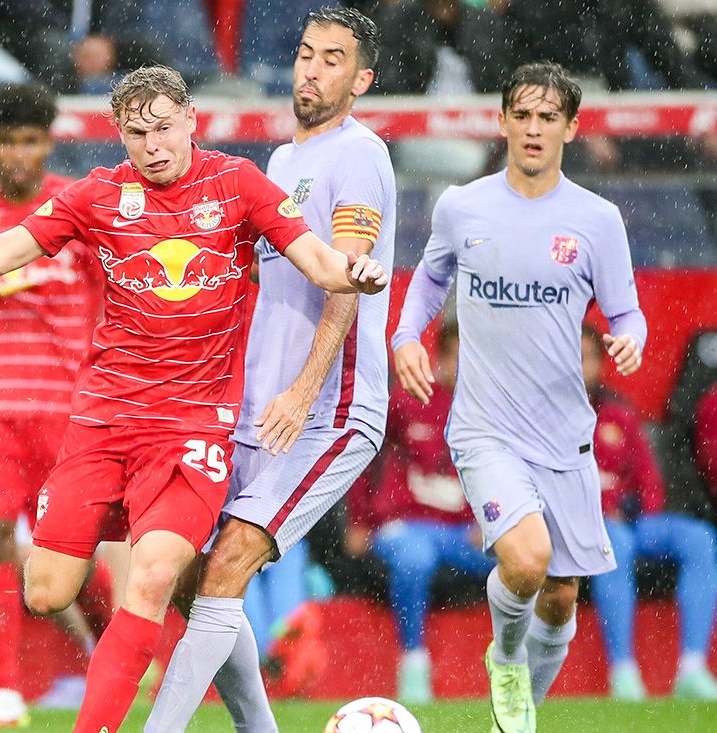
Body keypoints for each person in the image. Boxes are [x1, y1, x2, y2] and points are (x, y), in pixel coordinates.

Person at [0, 63, 389, 733]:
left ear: (192, 121)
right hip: (103, 423)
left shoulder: (238, 184)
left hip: (192, 428)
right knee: (46, 591)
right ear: (119, 134)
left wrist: (354, 268)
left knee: (155, 573)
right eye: (137, 133)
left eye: (164, 128)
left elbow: (316, 259)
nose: (153, 145)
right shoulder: (99, 195)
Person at [146, 8, 395, 732]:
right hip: (259, 409)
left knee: (227, 566)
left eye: (333, 60)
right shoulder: (282, 164)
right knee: (194, 582)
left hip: (329, 410)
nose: (312, 70)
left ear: (361, 80)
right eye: (307, 54)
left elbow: (345, 280)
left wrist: (304, 387)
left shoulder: (360, 155)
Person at [391, 61, 647, 733]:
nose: (534, 128)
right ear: (503, 121)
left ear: (572, 126)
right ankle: (505, 655)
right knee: (527, 560)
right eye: (523, 115)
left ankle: (517, 717)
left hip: (564, 435)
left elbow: (627, 312)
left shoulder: (597, 219)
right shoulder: (463, 204)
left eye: (547, 116)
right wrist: (406, 337)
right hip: (485, 428)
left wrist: (630, 339)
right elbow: (426, 281)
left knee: (561, 595)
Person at [0, 82, 109, 728]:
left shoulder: (78, 208)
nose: (18, 154)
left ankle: (117, 654)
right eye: (7, 140)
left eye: (30, 140)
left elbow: (110, 306)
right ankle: (1, 689)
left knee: (72, 553)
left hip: (68, 407)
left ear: (48, 142)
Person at [346, 322, 492, 705]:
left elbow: (507, 474)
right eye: (459, 356)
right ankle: (413, 662)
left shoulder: (490, 412)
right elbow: (364, 456)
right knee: (415, 558)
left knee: (523, 562)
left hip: (464, 534)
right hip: (404, 527)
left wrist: (491, 520)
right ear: (440, 359)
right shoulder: (407, 400)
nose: (467, 366)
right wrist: (359, 520)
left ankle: (515, 666)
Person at [580, 324, 717, 701]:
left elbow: (648, 479)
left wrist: (640, 508)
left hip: (634, 521)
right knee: (617, 543)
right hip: (590, 530)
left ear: (600, 364)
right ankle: (623, 672)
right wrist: (604, 511)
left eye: (588, 357)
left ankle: (691, 668)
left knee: (700, 539)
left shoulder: (618, 414)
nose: (580, 365)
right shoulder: (547, 418)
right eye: (572, 357)